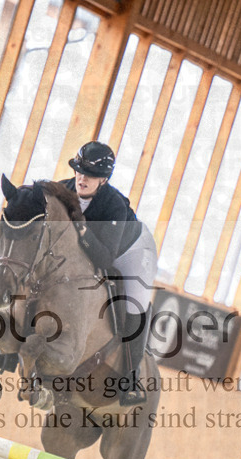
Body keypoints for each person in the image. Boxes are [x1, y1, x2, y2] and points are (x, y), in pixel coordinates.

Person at [60, 141, 157, 406]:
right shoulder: (63, 190)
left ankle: (131, 378)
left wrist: (82, 230)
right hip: (97, 247)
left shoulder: (114, 205)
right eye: (78, 170)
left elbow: (104, 258)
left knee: (134, 303)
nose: (81, 177)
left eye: (89, 174)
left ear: (103, 179)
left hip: (132, 252)